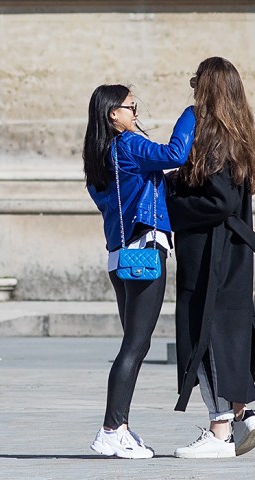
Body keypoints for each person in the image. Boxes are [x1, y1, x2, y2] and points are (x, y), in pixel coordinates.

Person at [82, 84, 195, 458]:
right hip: (144, 251)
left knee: (134, 342)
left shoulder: (99, 155)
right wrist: (190, 116)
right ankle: (112, 428)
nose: (136, 113)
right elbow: (175, 153)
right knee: (135, 344)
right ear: (112, 113)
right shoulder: (128, 144)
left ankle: (120, 427)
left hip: (120, 255)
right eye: (131, 106)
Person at [167, 57, 255, 459]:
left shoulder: (213, 134)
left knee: (202, 331)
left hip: (211, 250)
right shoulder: (241, 132)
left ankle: (220, 430)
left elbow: (217, 200)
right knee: (233, 331)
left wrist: (171, 197)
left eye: (196, 82)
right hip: (234, 250)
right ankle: (242, 414)